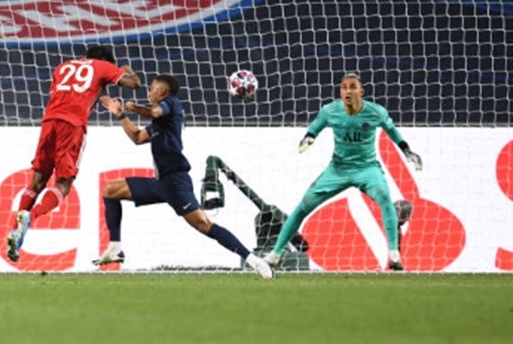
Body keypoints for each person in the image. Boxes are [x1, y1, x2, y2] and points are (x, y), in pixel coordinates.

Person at [95, 74, 274, 279]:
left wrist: (133, 107)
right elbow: (137, 137)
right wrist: (120, 115)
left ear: (163, 92)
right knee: (110, 190)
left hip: (176, 182)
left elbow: (154, 111)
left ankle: (253, 260)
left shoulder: (172, 104)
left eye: (152, 88)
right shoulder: (160, 124)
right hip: (161, 183)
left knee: (204, 225)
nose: (149, 91)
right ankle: (115, 248)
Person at [263, 72, 423, 271]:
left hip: (367, 168)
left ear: (361, 91)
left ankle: (394, 254)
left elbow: (393, 132)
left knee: (384, 196)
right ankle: (275, 254)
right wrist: (308, 139)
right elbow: (314, 128)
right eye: (344, 87)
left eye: (353, 87)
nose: (348, 91)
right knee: (304, 206)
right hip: (337, 169)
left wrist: (407, 151)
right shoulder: (330, 111)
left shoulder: (376, 112)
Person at [6, 45, 140, 262]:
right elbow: (134, 84)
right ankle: (31, 217)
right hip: (72, 125)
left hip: (49, 121)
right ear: (106, 61)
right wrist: (127, 71)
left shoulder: (63, 67)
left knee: (36, 182)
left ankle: (15, 230)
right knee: (63, 184)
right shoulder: (103, 66)